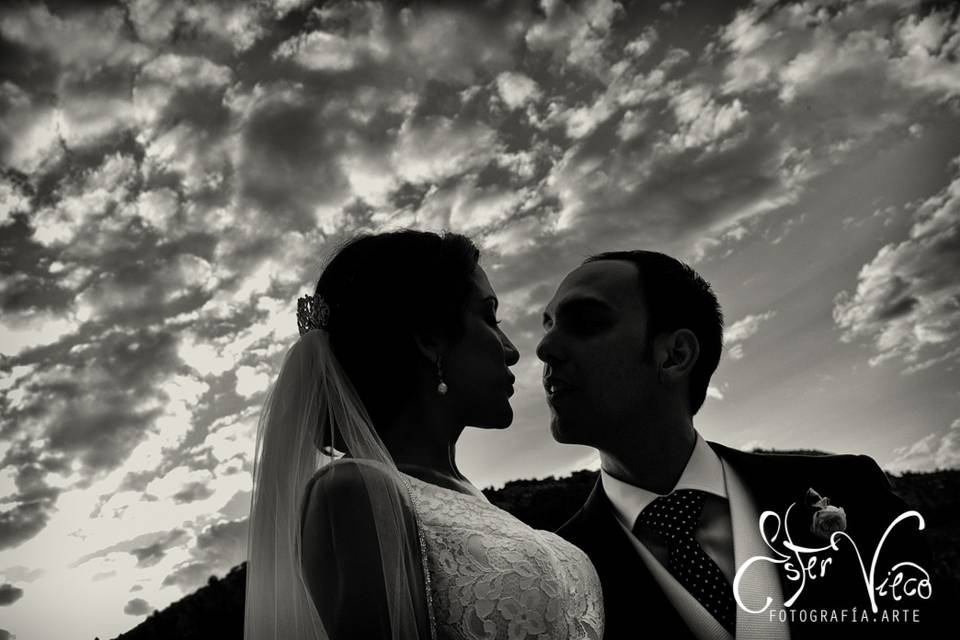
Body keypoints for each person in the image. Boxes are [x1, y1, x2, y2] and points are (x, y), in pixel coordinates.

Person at [537, 250, 945, 640]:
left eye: (585, 322)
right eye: (548, 324)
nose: (544, 348)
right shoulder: (550, 576)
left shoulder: (852, 488)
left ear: (675, 355)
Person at [244, 230, 604, 640]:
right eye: (489, 317)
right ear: (430, 338)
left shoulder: (473, 503)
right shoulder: (356, 490)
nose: (511, 349)